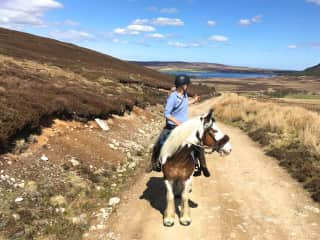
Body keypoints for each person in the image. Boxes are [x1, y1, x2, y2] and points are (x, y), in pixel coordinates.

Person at [148, 74, 201, 172]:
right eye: (186, 84)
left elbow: (184, 104)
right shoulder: (173, 97)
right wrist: (177, 122)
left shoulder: (184, 94)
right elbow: (166, 113)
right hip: (172, 127)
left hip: (183, 127)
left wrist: (193, 100)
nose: (187, 86)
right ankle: (154, 164)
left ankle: (198, 165)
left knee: (197, 142)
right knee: (158, 144)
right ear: (181, 85)